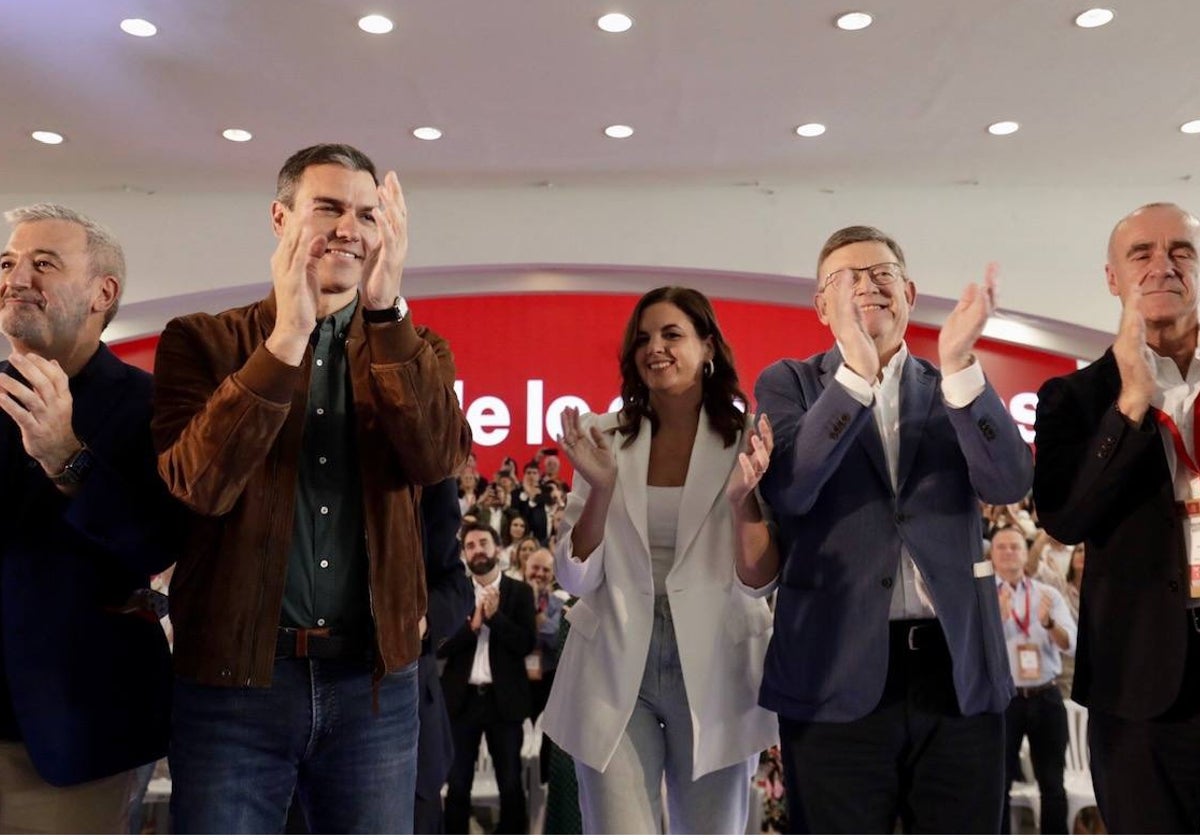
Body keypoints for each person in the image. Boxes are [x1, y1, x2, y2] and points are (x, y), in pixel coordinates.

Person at [152, 143, 471, 833]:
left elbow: (436, 457)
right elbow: (197, 485)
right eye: (327, 207)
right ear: (280, 217)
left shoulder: (420, 350)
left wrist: (386, 314)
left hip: (372, 689)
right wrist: (287, 338)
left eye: (366, 214)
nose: (348, 229)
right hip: (233, 684)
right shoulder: (200, 341)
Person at [744, 225, 1032, 833]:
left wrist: (959, 366)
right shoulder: (788, 383)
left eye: (881, 274)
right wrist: (854, 374)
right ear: (822, 306)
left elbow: (1008, 482)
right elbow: (791, 487)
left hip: (957, 672)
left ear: (908, 290)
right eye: (846, 279)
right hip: (832, 672)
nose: (867, 287)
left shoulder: (951, 384)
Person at [543, 286, 778, 834]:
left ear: (708, 347)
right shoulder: (602, 436)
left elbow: (759, 583)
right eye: (643, 339)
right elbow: (573, 574)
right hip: (615, 658)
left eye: (672, 334)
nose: (656, 348)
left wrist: (745, 504)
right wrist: (600, 489)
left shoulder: (747, 439)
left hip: (719, 662)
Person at [0, 204, 175, 831]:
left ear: (104, 294)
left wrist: (65, 458)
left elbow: (153, 546)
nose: (17, 278)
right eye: (8, 262)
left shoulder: (153, 407)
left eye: (43, 263)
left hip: (66, 737)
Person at [1033, 202, 1200, 832]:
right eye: (1142, 253)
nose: (1164, 265)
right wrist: (1130, 404)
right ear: (1113, 278)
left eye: (1181, 250)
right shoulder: (1075, 399)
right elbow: (1068, 518)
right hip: (1139, 682)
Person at [440, 523, 536, 834]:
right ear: (464, 555)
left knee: (510, 783)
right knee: (457, 784)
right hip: (461, 703)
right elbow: (440, 647)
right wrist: (473, 627)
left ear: (497, 548)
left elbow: (525, 644)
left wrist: (495, 619)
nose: (477, 549)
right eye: (470, 545)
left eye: (483, 542)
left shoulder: (519, 591)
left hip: (503, 703)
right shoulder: (457, 593)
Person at [991, 526, 1076, 834]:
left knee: (1053, 784)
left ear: (1026, 553)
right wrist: (995, 622)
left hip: (1046, 697)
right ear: (991, 556)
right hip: (1005, 699)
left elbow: (1072, 644)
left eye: (1015, 546)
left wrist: (1049, 623)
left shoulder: (1048, 594)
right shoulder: (985, 598)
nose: (1009, 552)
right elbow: (974, 650)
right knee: (997, 784)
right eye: (1002, 547)